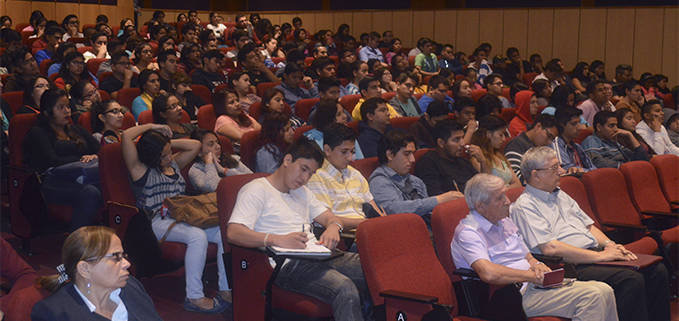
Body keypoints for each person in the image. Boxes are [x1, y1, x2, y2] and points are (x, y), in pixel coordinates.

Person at [510, 146, 670, 321]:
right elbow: (550, 248)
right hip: (571, 265)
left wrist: (610, 245)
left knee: (657, 271)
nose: (561, 171)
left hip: (594, 255)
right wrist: (602, 257)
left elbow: (589, 226)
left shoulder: (560, 195)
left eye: (559, 166)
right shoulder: (525, 206)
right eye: (554, 168)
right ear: (535, 175)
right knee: (630, 279)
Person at [228, 137, 369, 321]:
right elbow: (233, 233)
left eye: (310, 174)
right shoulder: (256, 190)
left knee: (373, 267)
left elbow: (330, 217)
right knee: (344, 287)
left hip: (319, 255)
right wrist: (276, 239)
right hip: (285, 265)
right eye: (303, 169)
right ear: (287, 160)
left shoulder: (302, 192)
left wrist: (334, 226)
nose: (305, 178)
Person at [452, 174, 619, 321]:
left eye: (505, 195)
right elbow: (488, 273)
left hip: (533, 286)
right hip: (508, 296)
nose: (508, 201)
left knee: (605, 290)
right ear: (480, 206)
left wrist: (539, 266)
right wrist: (530, 276)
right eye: (499, 198)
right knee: (592, 296)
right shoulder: (469, 232)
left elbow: (528, 257)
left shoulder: (504, 221)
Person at [121, 124, 232, 314]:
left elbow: (195, 145)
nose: (167, 158)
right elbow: (126, 136)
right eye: (162, 155)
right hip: (154, 222)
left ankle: (225, 289)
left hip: (183, 215)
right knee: (197, 236)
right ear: (151, 155)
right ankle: (194, 297)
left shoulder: (172, 164)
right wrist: (152, 127)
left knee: (224, 234)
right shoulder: (140, 171)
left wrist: (164, 142)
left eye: (169, 152)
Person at [31, 226, 163, 320]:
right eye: (116, 257)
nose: (127, 263)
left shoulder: (132, 287)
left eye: (123, 255)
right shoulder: (54, 313)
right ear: (85, 269)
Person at [23, 89, 102, 232]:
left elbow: (100, 150)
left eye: (68, 106)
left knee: (107, 185)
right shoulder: (39, 133)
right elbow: (52, 161)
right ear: (47, 112)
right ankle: (76, 245)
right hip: (50, 182)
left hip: (81, 177)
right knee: (90, 192)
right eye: (60, 108)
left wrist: (95, 156)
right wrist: (82, 159)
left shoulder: (76, 130)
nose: (67, 111)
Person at [369, 130, 461, 226]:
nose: (412, 159)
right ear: (390, 155)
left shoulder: (416, 181)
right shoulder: (379, 181)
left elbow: (428, 212)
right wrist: (438, 200)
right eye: (406, 154)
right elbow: (393, 210)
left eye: (413, 153)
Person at [307, 123, 385, 226]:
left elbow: (374, 210)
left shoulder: (355, 174)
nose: (350, 158)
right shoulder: (316, 176)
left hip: (366, 230)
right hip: (342, 236)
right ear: (327, 150)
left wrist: (382, 222)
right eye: (344, 152)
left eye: (352, 151)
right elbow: (327, 220)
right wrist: (367, 223)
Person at [415, 119, 487, 197]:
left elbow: (485, 185)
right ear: (441, 143)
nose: (463, 143)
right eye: (456, 140)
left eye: (462, 138)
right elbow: (434, 196)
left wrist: (483, 161)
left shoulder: (462, 160)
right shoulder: (427, 163)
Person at [188, 129, 252, 193]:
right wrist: (209, 164)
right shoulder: (195, 170)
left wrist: (224, 171)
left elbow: (253, 178)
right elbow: (215, 187)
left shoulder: (233, 158)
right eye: (211, 144)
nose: (218, 147)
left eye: (217, 142)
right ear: (199, 152)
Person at [504, 114, 559, 184]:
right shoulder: (516, 145)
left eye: (552, 139)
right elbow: (515, 177)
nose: (549, 142)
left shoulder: (539, 148)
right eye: (548, 136)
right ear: (538, 126)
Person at [581, 110, 648, 168]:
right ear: (599, 127)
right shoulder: (591, 141)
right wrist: (626, 166)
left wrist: (630, 135)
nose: (616, 129)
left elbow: (642, 158)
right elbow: (596, 163)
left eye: (616, 125)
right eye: (611, 126)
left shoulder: (613, 142)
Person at [471, 115, 521, 188]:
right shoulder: (478, 159)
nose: (504, 139)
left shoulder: (499, 156)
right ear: (488, 134)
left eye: (504, 135)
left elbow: (517, 183)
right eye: (500, 135)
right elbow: (490, 186)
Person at [550, 107, 596, 173]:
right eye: (574, 124)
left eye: (579, 123)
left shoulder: (577, 146)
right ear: (561, 125)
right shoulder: (556, 143)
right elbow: (566, 169)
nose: (579, 127)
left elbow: (593, 168)